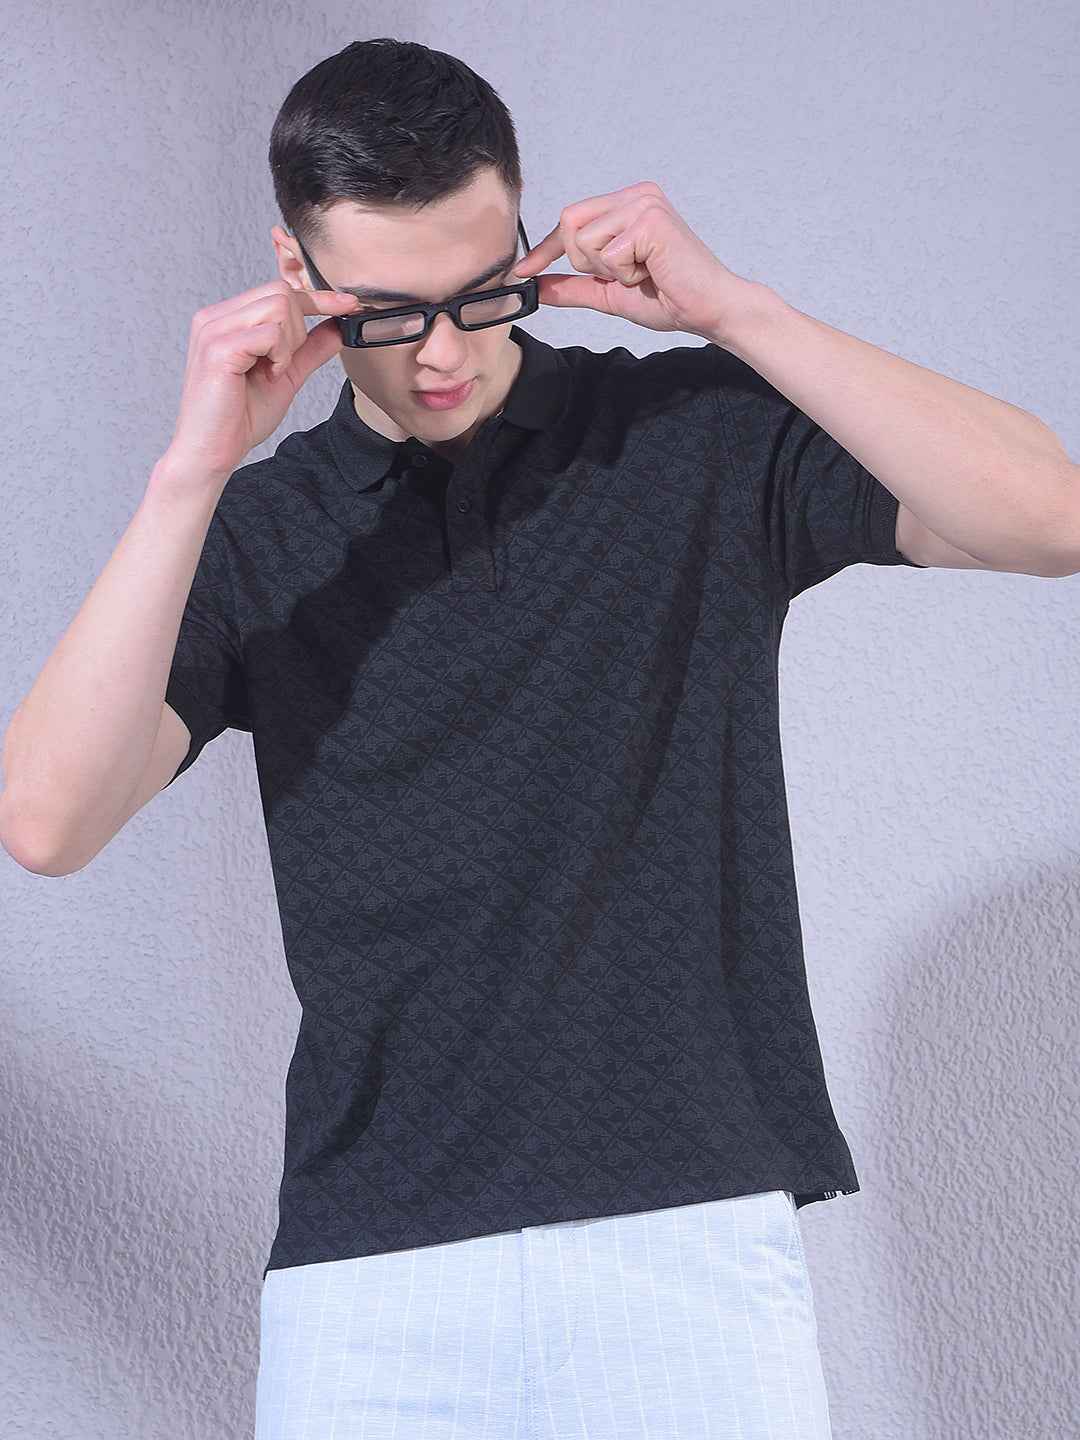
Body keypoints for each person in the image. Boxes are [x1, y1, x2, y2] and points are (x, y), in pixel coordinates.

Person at [8, 33, 1070, 1440]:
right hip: (368, 1270)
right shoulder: (258, 535)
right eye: (389, 313)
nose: (443, 354)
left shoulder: (688, 439)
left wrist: (739, 313)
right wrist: (190, 471)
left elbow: (1050, 518)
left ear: (521, 232)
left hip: (684, 1236)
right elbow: (47, 823)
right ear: (297, 274)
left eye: (481, 293)